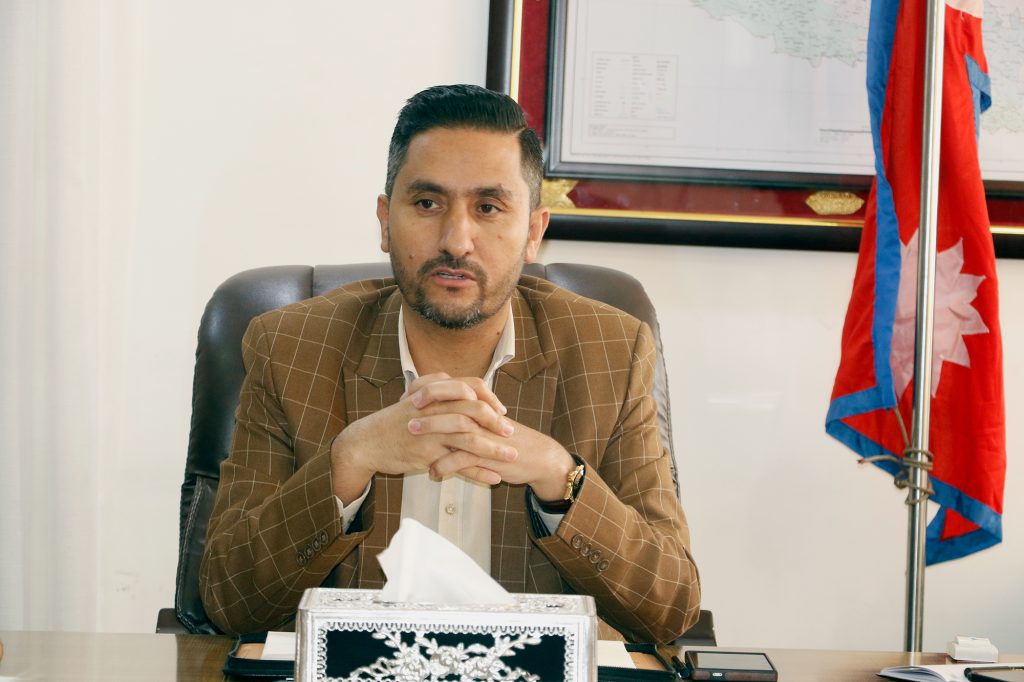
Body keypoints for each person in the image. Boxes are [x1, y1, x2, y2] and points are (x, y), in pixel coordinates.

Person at [199, 84, 700, 643]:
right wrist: (348, 463)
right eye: (427, 204)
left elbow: (668, 609)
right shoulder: (291, 347)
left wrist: (561, 479)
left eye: (488, 208)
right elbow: (229, 603)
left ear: (533, 232)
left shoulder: (610, 350)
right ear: (385, 221)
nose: (457, 240)